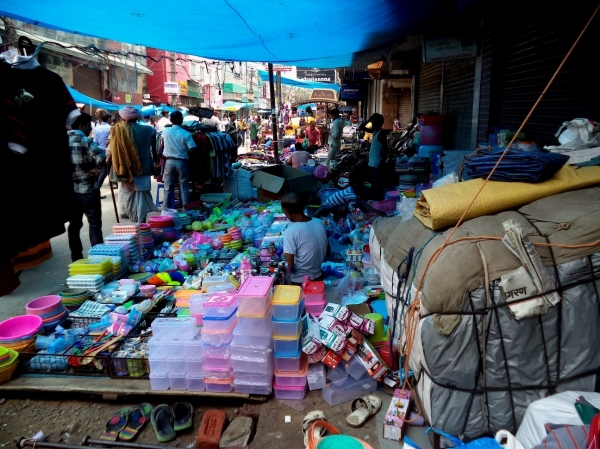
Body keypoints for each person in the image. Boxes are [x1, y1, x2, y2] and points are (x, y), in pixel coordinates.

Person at [67, 113, 104, 262]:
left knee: (74, 224)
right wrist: (95, 169)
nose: (90, 128)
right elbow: (101, 157)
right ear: (82, 125)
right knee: (94, 222)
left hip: (70, 190)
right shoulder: (84, 140)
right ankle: (98, 256)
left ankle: (76, 257)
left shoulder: (62, 140)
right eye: (89, 125)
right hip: (87, 188)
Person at [110, 106, 158, 221]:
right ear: (137, 117)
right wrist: (156, 164)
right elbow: (154, 152)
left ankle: (136, 219)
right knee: (142, 195)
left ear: (123, 118)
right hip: (145, 167)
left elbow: (112, 151)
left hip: (127, 168)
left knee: (128, 195)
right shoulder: (149, 130)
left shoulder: (118, 130)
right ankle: (141, 220)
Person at [281, 192, 328, 284]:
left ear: (286, 211)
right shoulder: (318, 222)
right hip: (318, 275)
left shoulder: (290, 231)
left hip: (299, 280)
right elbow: (327, 250)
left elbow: (289, 265)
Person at [161, 110, 197, 209]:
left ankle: (165, 209)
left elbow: (163, 142)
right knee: (184, 186)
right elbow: (193, 149)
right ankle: (186, 209)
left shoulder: (165, 131)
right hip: (182, 162)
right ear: (182, 120)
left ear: (171, 120)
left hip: (169, 161)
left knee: (168, 187)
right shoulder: (186, 134)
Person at [359, 113, 387, 200]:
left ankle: (379, 203)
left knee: (377, 186)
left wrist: (382, 162)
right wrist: (369, 119)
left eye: (374, 122)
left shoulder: (381, 133)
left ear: (378, 123)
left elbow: (385, 150)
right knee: (373, 186)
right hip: (372, 163)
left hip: (377, 164)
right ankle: (376, 202)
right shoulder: (376, 131)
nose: (372, 124)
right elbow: (361, 127)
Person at [92, 112, 111, 194]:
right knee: (104, 171)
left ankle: (96, 189)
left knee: (100, 171)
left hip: (98, 151)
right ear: (109, 119)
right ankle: (96, 189)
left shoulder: (96, 128)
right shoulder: (110, 128)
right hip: (107, 152)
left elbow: (95, 141)